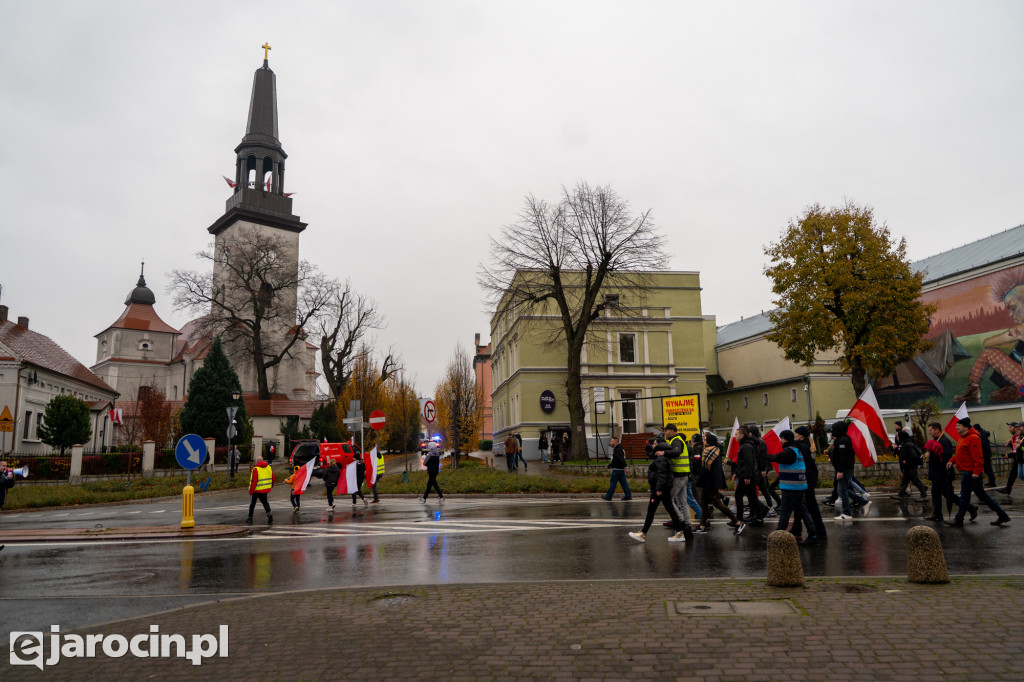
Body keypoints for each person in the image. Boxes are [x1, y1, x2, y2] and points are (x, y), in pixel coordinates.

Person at [953, 269, 1024, 404]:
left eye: (1013, 308)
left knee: (988, 353)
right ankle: (1011, 390)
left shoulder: (1020, 330)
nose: (1010, 314)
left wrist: (1011, 335)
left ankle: (974, 390)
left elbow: (987, 343)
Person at [945, 418, 1010, 527]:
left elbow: (978, 457)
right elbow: (961, 454)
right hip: (968, 472)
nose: (956, 428)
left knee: (965, 496)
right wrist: (952, 460)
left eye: (958, 426)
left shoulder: (973, 438)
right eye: (956, 426)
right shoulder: (963, 438)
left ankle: (958, 519)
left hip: (970, 473)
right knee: (983, 496)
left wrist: (976, 472)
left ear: (966, 427)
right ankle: (1002, 515)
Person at [766, 429, 819, 545]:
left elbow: (776, 457)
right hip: (799, 486)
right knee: (803, 511)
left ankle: (778, 535)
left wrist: (765, 456)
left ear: (784, 438)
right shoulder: (797, 449)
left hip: (791, 487)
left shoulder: (789, 452)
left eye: (781, 438)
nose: (780, 441)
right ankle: (813, 534)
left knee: (785, 511)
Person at [628, 437, 686, 543]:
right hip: (663, 488)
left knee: (651, 510)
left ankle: (643, 534)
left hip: (660, 489)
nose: (653, 446)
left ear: (659, 446)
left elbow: (662, 475)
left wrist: (659, 489)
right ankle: (679, 532)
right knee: (670, 510)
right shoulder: (661, 457)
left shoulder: (661, 459)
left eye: (654, 444)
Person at [693, 433, 741, 535]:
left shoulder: (708, 451)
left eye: (705, 439)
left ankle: (737, 522)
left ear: (709, 441)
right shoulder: (716, 450)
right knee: (704, 503)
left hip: (709, 481)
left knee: (717, 503)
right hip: (711, 481)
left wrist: (699, 481)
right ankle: (702, 526)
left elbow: (706, 469)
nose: (703, 441)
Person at [923, 422, 973, 522]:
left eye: (931, 430)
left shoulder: (944, 441)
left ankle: (970, 508)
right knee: (935, 493)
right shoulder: (936, 440)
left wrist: (932, 454)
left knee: (948, 495)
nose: (930, 432)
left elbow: (946, 456)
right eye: (929, 431)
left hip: (943, 473)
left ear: (937, 430)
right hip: (936, 472)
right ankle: (937, 514)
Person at [790, 426, 827, 541]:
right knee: (799, 505)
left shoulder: (803, 446)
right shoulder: (806, 445)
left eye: (796, 433)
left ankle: (819, 532)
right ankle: (796, 529)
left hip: (807, 480)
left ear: (801, 435)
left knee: (810, 507)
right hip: (807, 479)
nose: (794, 435)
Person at [830, 421, 870, 521]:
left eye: (833, 429)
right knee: (842, 489)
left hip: (844, 469)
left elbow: (843, 457)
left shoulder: (842, 440)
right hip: (844, 468)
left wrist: (840, 471)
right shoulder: (840, 439)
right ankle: (862, 503)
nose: (832, 431)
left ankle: (847, 512)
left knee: (842, 489)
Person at [661, 424, 697, 537]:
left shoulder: (676, 441)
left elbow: (676, 452)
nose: (664, 433)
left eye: (666, 431)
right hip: (683, 474)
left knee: (669, 499)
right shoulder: (678, 440)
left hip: (679, 474)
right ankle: (687, 524)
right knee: (683, 501)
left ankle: (680, 521)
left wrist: (664, 453)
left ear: (671, 431)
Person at [733, 425, 762, 528]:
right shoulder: (745, 444)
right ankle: (759, 518)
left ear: (742, 435)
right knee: (752, 497)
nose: (735, 436)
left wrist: (747, 477)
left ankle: (739, 519)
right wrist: (736, 472)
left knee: (739, 495)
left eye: (736, 434)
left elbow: (749, 462)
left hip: (747, 476)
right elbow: (742, 462)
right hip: (745, 475)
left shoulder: (746, 446)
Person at [749, 426, 780, 517]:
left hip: (759, 469)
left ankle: (768, 508)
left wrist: (763, 469)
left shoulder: (760, 442)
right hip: (757, 468)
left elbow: (762, 456)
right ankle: (767, 508)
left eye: (749, 432)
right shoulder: (757, 441)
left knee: (763, 488)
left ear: (752, 432)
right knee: (763, 488)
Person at [896, 430, 928, 499]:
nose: (897, 437)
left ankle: (923, 494)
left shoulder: (907, 445)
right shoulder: (904, 444)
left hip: (910, 466)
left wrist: (906, 461)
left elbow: (913, 455)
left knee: (915, 480)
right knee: (905, 481)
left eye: (898, 436)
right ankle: (901, 494)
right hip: (908, 467)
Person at [601, 436, 632, 501]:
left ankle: (608, 496)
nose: (610, 443)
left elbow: (621, 459)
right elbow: (616, 459)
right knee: (624, 483)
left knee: (613, 483)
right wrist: (611, 465)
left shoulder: (618, 449)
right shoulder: (619, 448)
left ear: (615, 442)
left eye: (612, 441)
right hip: (620, 469)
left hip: (617, 470)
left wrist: (625, 466)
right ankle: (628, 495)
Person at [996, 422, 1023, 495]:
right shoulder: (1014, 437)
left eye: (1010, 427)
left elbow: (1018, 450)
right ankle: (1008, 489)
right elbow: (1015, 449)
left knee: (1017, 474)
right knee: (1013, 474)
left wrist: (1008, 455)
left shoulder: (1019, 437)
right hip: (1018, 457)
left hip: (1021, 457)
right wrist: (1010, 444)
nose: (1009, 429)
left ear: (1016, 428)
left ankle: (1008, 489)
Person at [246, 458, 274, 524]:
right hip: (264, 489)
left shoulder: (256, 469)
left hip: (256, 490)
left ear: (257, 461)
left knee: (252, 504)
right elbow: (273, 477)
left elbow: (254, 481)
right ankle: (269, 515)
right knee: (265, 503)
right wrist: (271, 485)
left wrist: (251, 491)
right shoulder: (268, 467)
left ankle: (250, 517)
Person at [975, 423, 997, 488]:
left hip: (985, 454)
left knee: (987, 469)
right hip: (985, 454)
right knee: (987, 469)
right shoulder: (983, 433)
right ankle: (991, 482)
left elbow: (982, 444)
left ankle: (991, 482)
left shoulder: (982, 434)